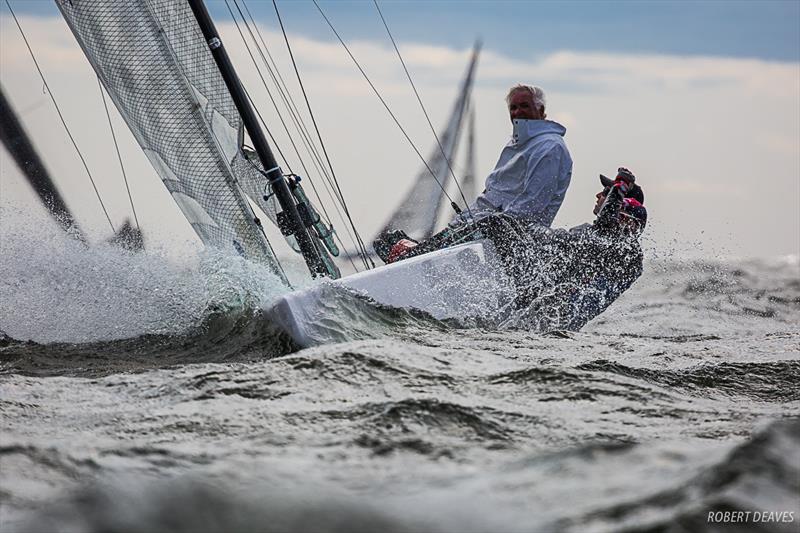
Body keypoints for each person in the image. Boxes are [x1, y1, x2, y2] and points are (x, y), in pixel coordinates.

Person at [451, 84, 573, 228]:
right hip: (481, 228)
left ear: (540, 110)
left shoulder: (550, 147)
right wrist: (460, 223)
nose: (518, 112)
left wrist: (491, 225)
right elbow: (493, 195)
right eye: (513, 108)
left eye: (524, 106)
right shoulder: (520, 143)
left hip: (509, 236)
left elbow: (532, 203)